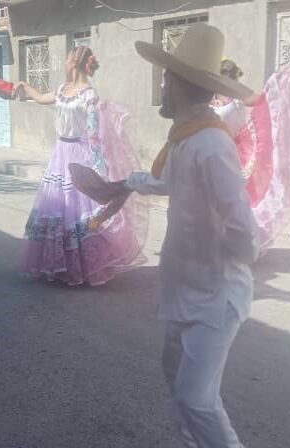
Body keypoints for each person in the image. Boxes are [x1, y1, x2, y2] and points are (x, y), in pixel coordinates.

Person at [115, 25, 258, 447]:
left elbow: (241, 225)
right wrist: (126, 182)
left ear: (178, 84)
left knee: (197, 399)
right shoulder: (187, 138)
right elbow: (167, 182)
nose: (162, 86)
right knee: (176, 377)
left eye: (165, 79)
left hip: (213, 295)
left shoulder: (211, 143)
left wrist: (221, 263)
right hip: (185, 287)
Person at [13, 46, 146, 286]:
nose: (64, 62)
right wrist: (24, 85)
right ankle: (57, 266)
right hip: (60, 153)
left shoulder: (89, 95)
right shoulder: (63, 90)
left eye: (67, 59)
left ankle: (83, 267)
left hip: (79, 154)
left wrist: (99, 167)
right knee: (58, 208)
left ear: (75, 62)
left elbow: (93, 133)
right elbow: (43, 98)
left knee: (78, 209)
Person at [211, 59, 290, 253]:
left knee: (234, 200)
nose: (226, 81)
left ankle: (237, 245)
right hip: (211, 151)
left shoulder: (239, 97)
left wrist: (278, 85)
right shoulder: (207, 98)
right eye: (222, 77)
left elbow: (264, 101)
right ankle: (214, 243)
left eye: (229, 77)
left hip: (233, 153)